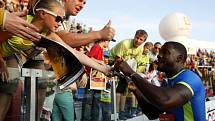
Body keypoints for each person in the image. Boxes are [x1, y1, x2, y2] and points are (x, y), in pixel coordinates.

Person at [115, 41, 206, 121]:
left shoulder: (190, 79)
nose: (159, 55)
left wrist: (132, 73)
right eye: (160, 51)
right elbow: (153, 113)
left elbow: (164, 101)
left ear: (179, 58)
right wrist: (136, 90)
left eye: (165, 52)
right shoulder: (169, 81)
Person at [109, 29, 147, 120]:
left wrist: (132, 75)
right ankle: (115, 112)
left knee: (124, 90)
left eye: (141, 39)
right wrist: (122, 72)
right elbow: (117, 59)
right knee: (119, 90)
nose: (138, 41)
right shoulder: (125, 43)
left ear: (143, 41)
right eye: (137, 38)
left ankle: (121, 113)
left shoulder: (140, 48)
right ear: (134, 36)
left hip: (125, 65)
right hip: (112, 61)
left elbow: (135, 62)